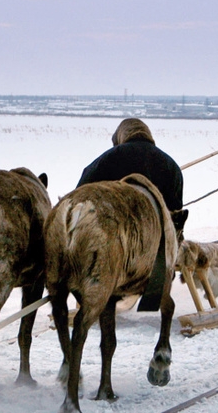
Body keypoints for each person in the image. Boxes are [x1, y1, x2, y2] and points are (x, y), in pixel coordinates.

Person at [78, 118, 184, 311]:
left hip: (110, 248)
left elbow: (81, 196)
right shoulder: (171, 166)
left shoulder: (105, 161)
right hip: (154, 252)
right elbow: (176, 219)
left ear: (120, 137)